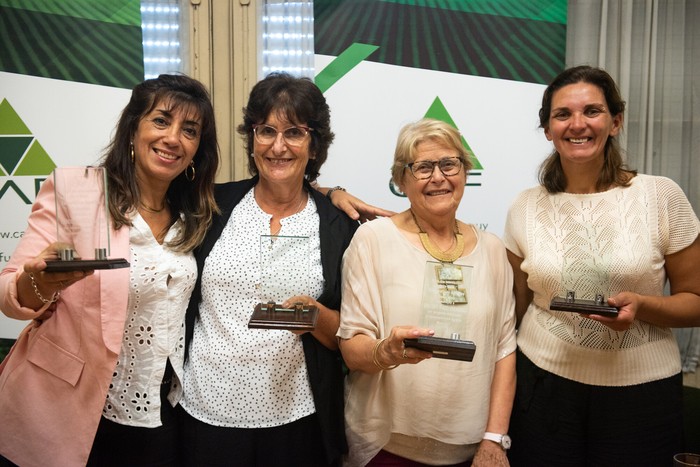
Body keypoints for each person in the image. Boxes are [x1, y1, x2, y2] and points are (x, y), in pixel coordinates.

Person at [0, 74, 220, 466]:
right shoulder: (78, 191)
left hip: (162, 409)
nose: (173, 138)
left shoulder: (195, 214)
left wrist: (328, 192)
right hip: (74, 406)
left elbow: (270, 189)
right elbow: (11, 293)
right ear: (133, 128)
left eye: (190, 130)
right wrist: (39, 281)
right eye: (161, 120)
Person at [504, 65, 700, 466]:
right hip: (542, 388)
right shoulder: (525, 205)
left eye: (592, 111)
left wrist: (643, 307)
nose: (578, 124)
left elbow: (696, 300)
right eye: (563, 115)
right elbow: (515, 311)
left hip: (642, 395)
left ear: (615, 121)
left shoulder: (662, 196)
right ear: (547, 129)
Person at [179, 72, 359, 467]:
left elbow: (352, 334)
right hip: (205, 414)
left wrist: (313, 316)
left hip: (296, 422)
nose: (278, 146)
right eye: (266, 131)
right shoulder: (211, 206)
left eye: (294, 132)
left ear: (314, 146)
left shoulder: (338, 226)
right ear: (252, 139)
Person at [337, 118, 517, 467]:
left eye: (449, 164)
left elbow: (504, 349)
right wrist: (386, 351)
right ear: (401, 180)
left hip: (473, 450)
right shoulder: (373, 241)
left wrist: (495, 438)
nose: (438, 177)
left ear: (464, 172)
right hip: (389, 447)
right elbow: (351, 347)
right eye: (422, 167)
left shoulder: (493, 249)